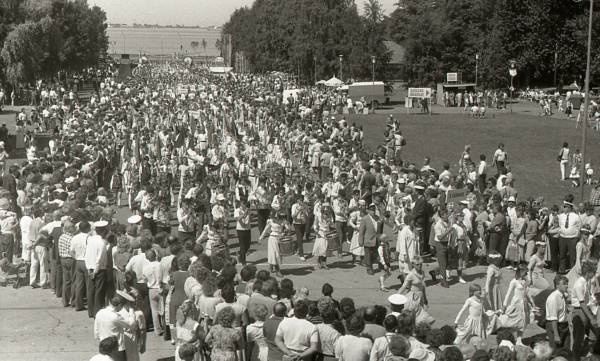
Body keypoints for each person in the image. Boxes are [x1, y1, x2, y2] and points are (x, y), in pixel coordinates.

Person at [497, 265, 535, 345]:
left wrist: (532, 302)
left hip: (524, 304)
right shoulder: (514, 281)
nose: (526, 274)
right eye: (525, 272)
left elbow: (527, 293)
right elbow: (508, 294)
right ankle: (506, 336)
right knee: (512, 321)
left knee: (523, 322)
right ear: (520, 272)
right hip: (516, 304)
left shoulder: (525, 281)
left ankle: (519, 340)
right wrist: (504, 305)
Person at [94, 291, 135, 361]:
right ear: (119, 305)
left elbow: (96, 332)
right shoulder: (115, 317)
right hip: (116, 349)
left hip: (103, 347)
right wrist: (131, 311)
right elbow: (131, 325)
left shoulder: (99, 313)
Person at [571, 261, 597, 358]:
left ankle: (587, 352)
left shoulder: (586, 282)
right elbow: (582, 303)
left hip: (586, 310)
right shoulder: (579, 284)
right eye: (593, 272)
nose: (594, 274)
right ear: (588, 272)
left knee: (593, 334)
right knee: (578, 338)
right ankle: (575, 357)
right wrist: (591, 318)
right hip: (579, 312)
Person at [398, 255, 434, 325]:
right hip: (413, 297)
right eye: (417, 264)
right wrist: (397, 296)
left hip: (421, 297)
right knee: (414, 315)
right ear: (413, 264)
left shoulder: (422, 272)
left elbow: (422, 286)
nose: (419, 266)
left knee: (420, 316)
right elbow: (404, 287)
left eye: (421, 264)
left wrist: (425, 298)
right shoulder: (411, 274)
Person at [259, 211, 291, 277]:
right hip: (272, 238)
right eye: (280, 216)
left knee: (277, 254)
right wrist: (260, 238)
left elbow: (288, 229)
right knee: (274, 254)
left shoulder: (283, 221)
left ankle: (271, 265)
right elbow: (265, 229)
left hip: (280, 239)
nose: (282, 217)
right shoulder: (270, 221)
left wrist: (286, 229)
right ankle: (277, 271)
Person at [545, 275, 570, 349]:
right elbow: (553, 319)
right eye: (564, 284)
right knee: (554, 350)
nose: (567, 285)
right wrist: (556, 335)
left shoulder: (563, 295)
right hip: (555, 326)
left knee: (565, 350)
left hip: (564, 325)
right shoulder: (553, 298)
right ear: (557, 285)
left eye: (567, 283)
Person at [558, 197, 581, 274]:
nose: (563, 208)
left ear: (570, 208)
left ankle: (572, 271)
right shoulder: (561, 216)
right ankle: (562, 270)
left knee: (572, 256)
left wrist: (576, 237)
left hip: (572, 238)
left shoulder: (576, 216)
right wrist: (561, 231)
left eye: (565, 207)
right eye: (563, 206)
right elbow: (560, 225)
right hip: (562, 238)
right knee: (562, 255)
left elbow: (579, 226)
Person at [359, 203, 380, 276]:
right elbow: (361, 231)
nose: (373, 212)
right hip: (368, 240)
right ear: (368, 211)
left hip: (376, 239)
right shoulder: (365, 219)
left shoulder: (377, 218)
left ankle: (376, 265)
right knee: (368, 254)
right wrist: (360, 241)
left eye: (374, 210)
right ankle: (369, 268)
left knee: (374, 254)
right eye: (371, 210)